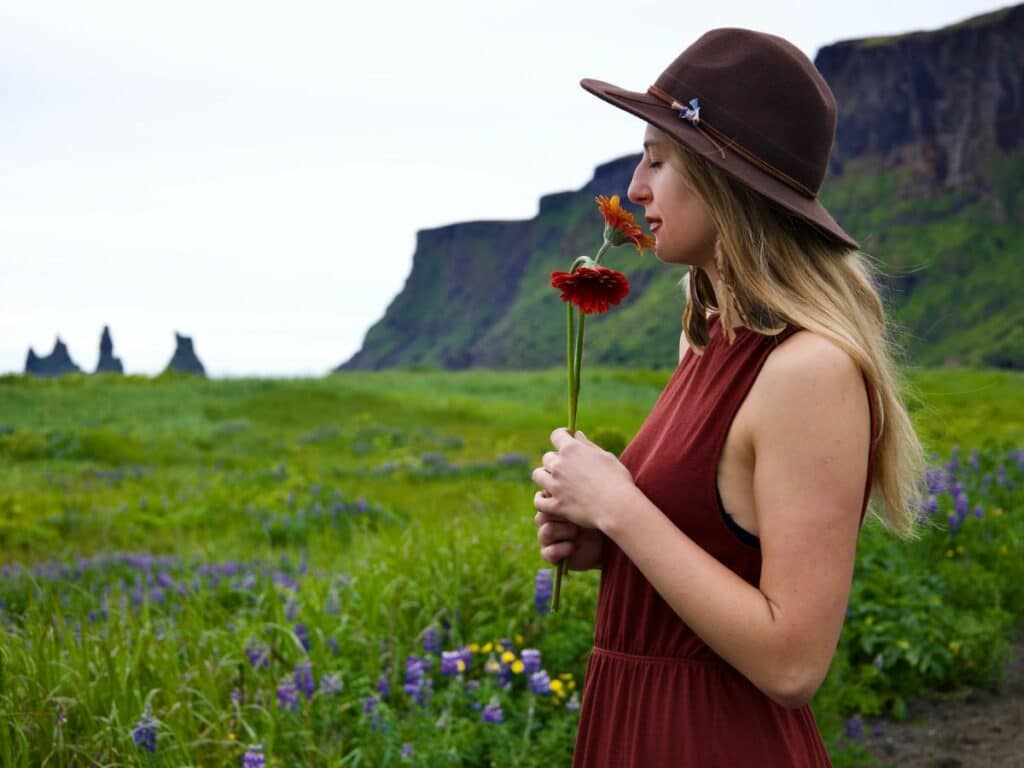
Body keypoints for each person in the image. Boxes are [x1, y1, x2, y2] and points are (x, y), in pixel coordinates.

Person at [531, 28, 927, 767]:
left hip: (715, 740)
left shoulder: (810, 370)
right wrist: (606, 544)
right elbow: (714, 543)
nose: (635, 187)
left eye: (657, 158)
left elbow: (792, 662)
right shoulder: (710, 337)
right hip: (636, 727)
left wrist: (621, 506)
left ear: (725, 179)